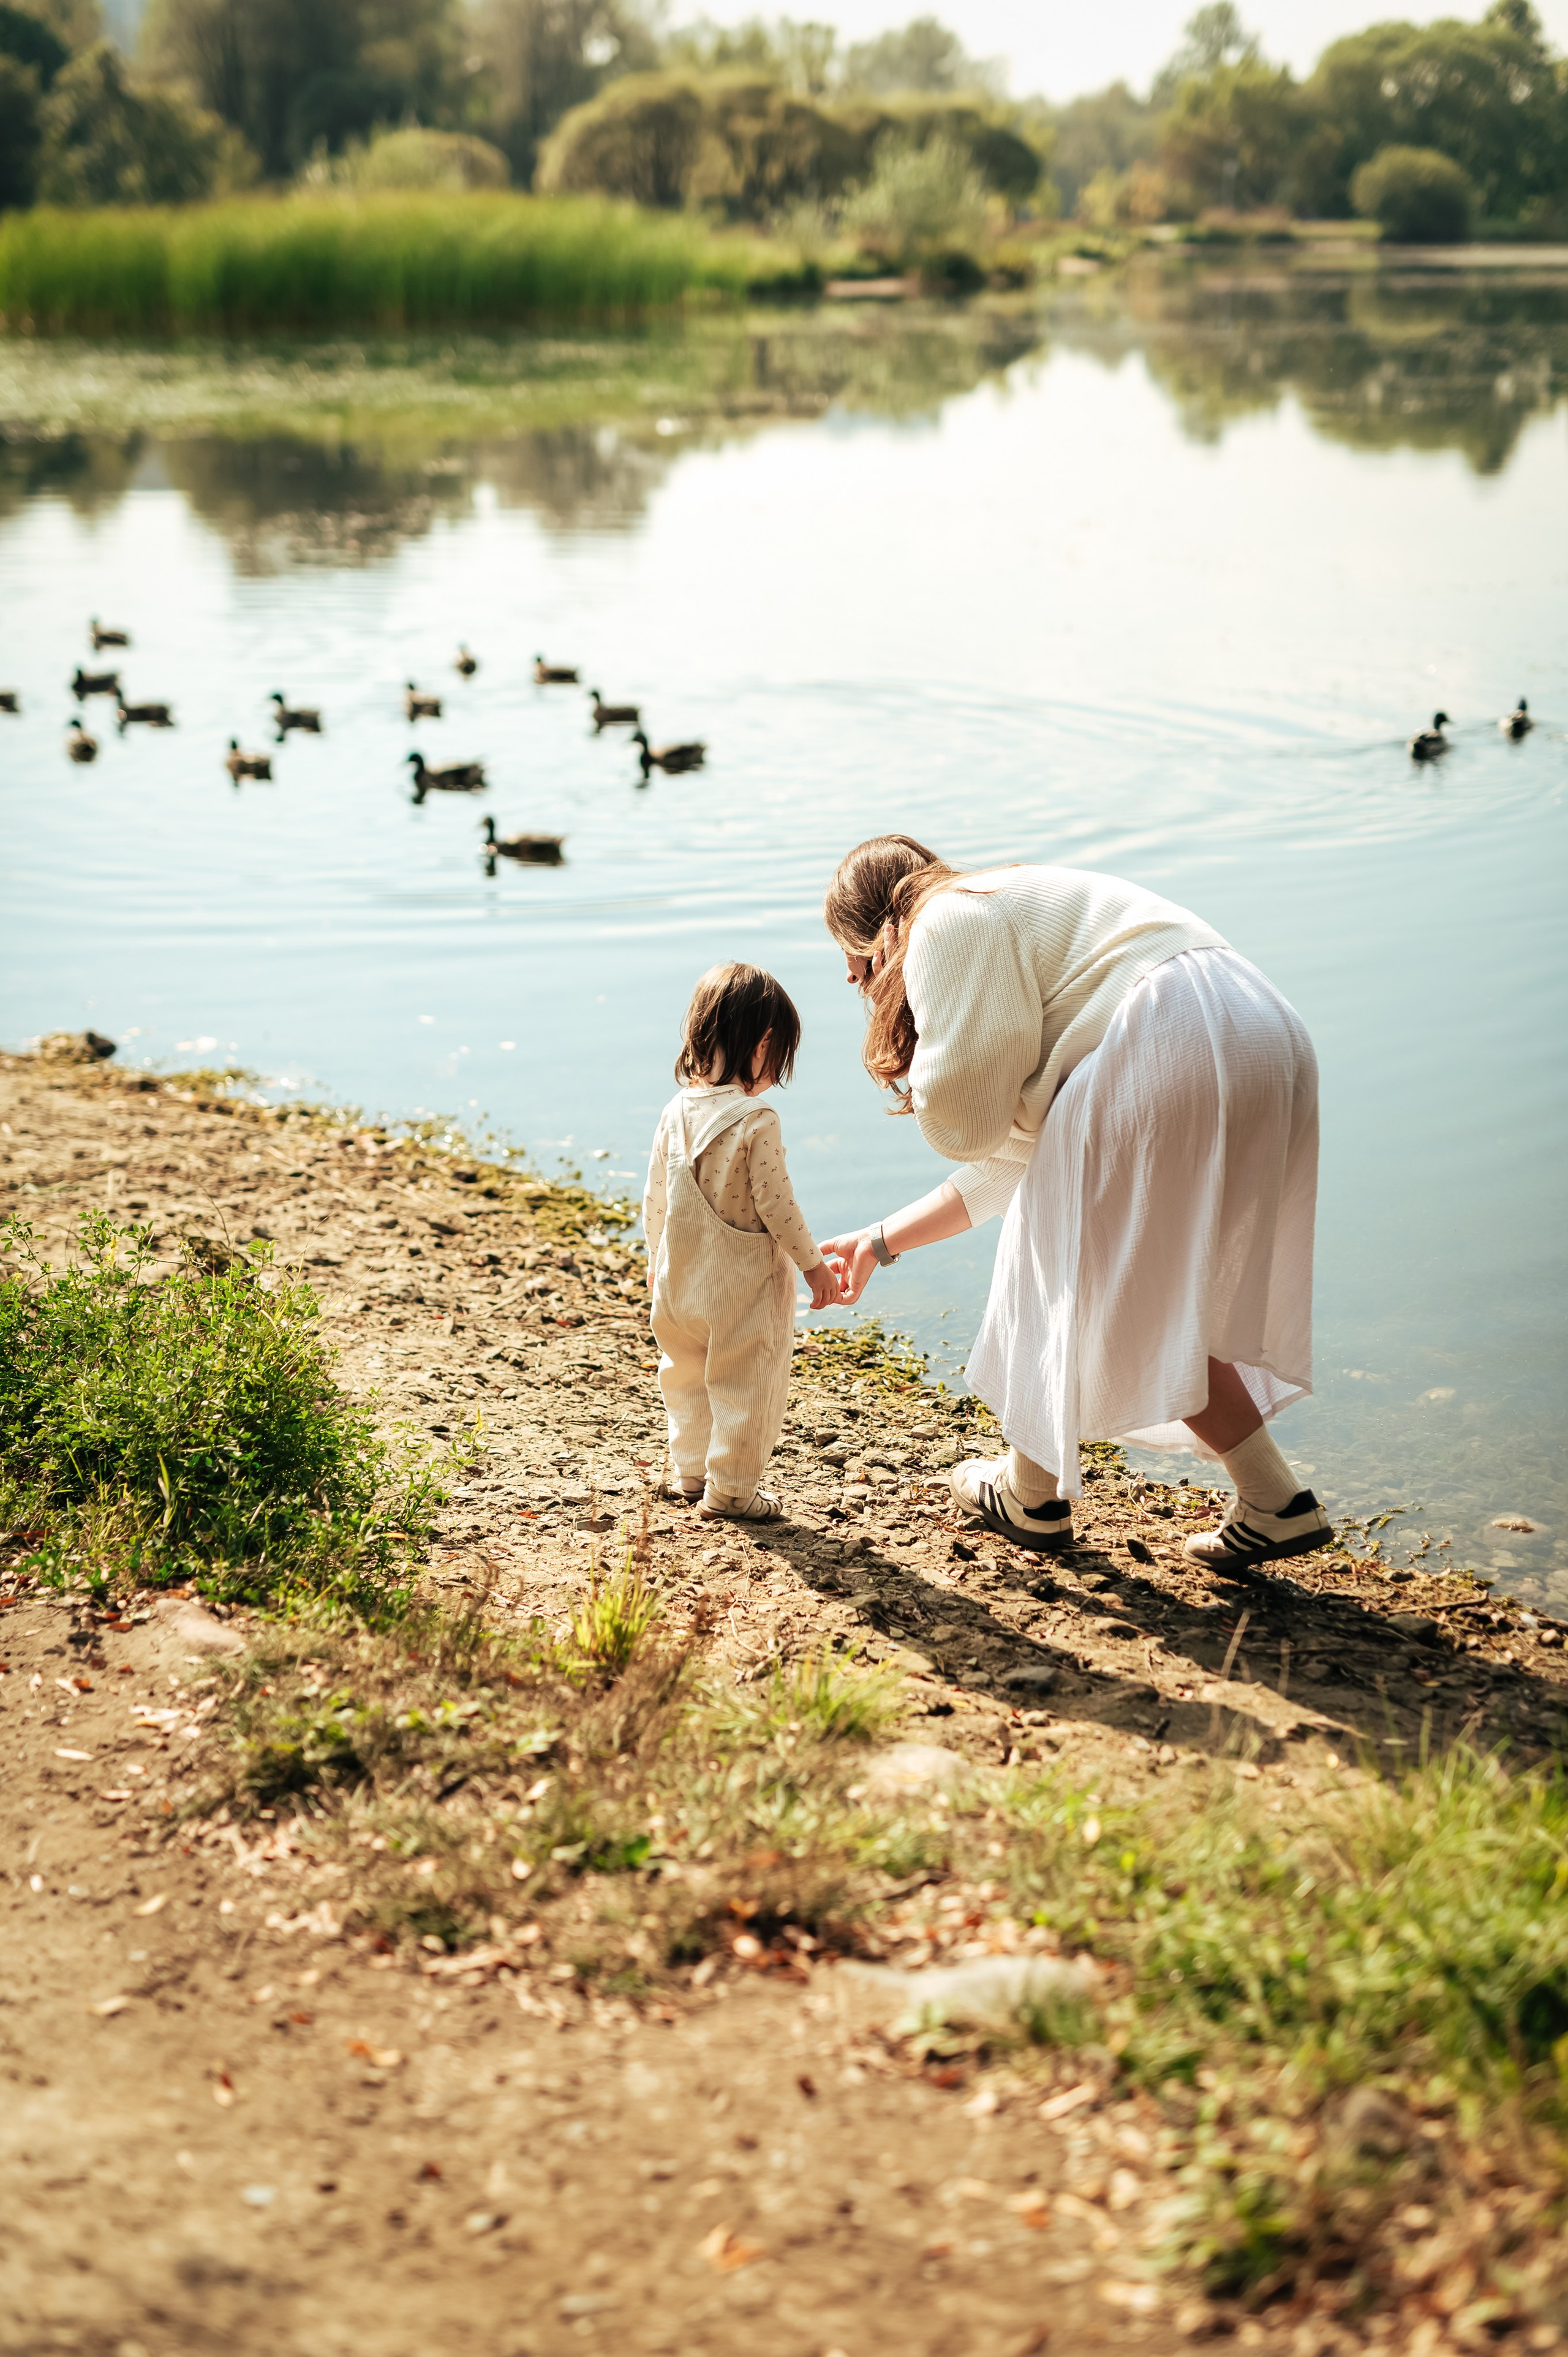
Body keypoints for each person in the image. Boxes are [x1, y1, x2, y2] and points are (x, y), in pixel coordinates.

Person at [818, 836, 1331, 1571]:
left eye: (852, 953)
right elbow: (1005, 1168)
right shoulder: (1010, 911)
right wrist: (878, 1241)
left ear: (883, 925)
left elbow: (962, 1122)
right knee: (1156, 1283)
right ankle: (1274, 1501)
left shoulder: (940, 918)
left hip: (1167, 1029)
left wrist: (910, 1035)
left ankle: (1030, 1492)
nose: (848, 974)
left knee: (1057, 1248)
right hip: (1258, 1025)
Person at [644, 962, 839, 1522]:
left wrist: (654, 1261)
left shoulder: (674, 1110)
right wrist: (814, 1267)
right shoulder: (756, 1119)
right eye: (777, 1060)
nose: (775, 1075)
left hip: (677, 1280)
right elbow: (778, 1207)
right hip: (738, 1289)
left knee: (684, 1375)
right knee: (745, 1384)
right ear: (762, 1045)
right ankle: (730, 1488)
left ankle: (691, 1471)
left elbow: (655, 1196)